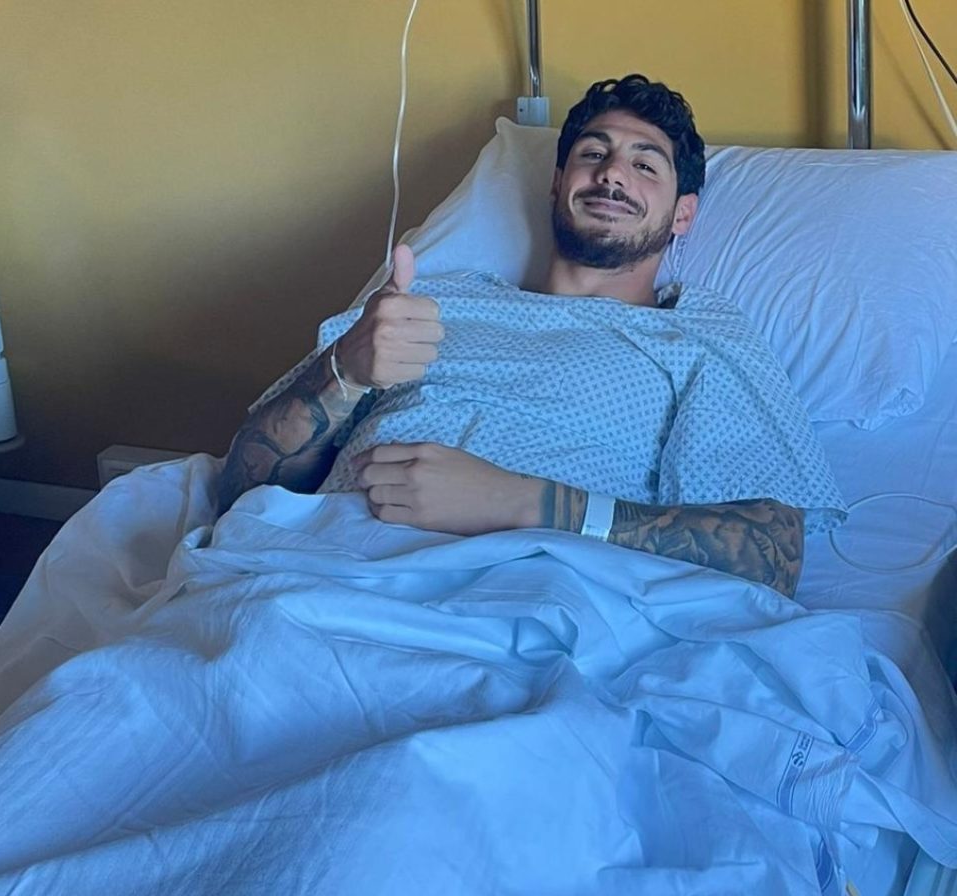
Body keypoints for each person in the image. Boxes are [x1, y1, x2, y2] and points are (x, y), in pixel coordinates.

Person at [218, 74, 839, 598]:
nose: (612, 174)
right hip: (314, 577)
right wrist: (344, 372)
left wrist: (524, 504)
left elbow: (771, 553)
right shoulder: (430, 302)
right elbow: (242, 491)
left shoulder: (697, 334)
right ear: (557, 182)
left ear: (683, 213)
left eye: (645, 164)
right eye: (593, 154)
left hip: (535, 600)